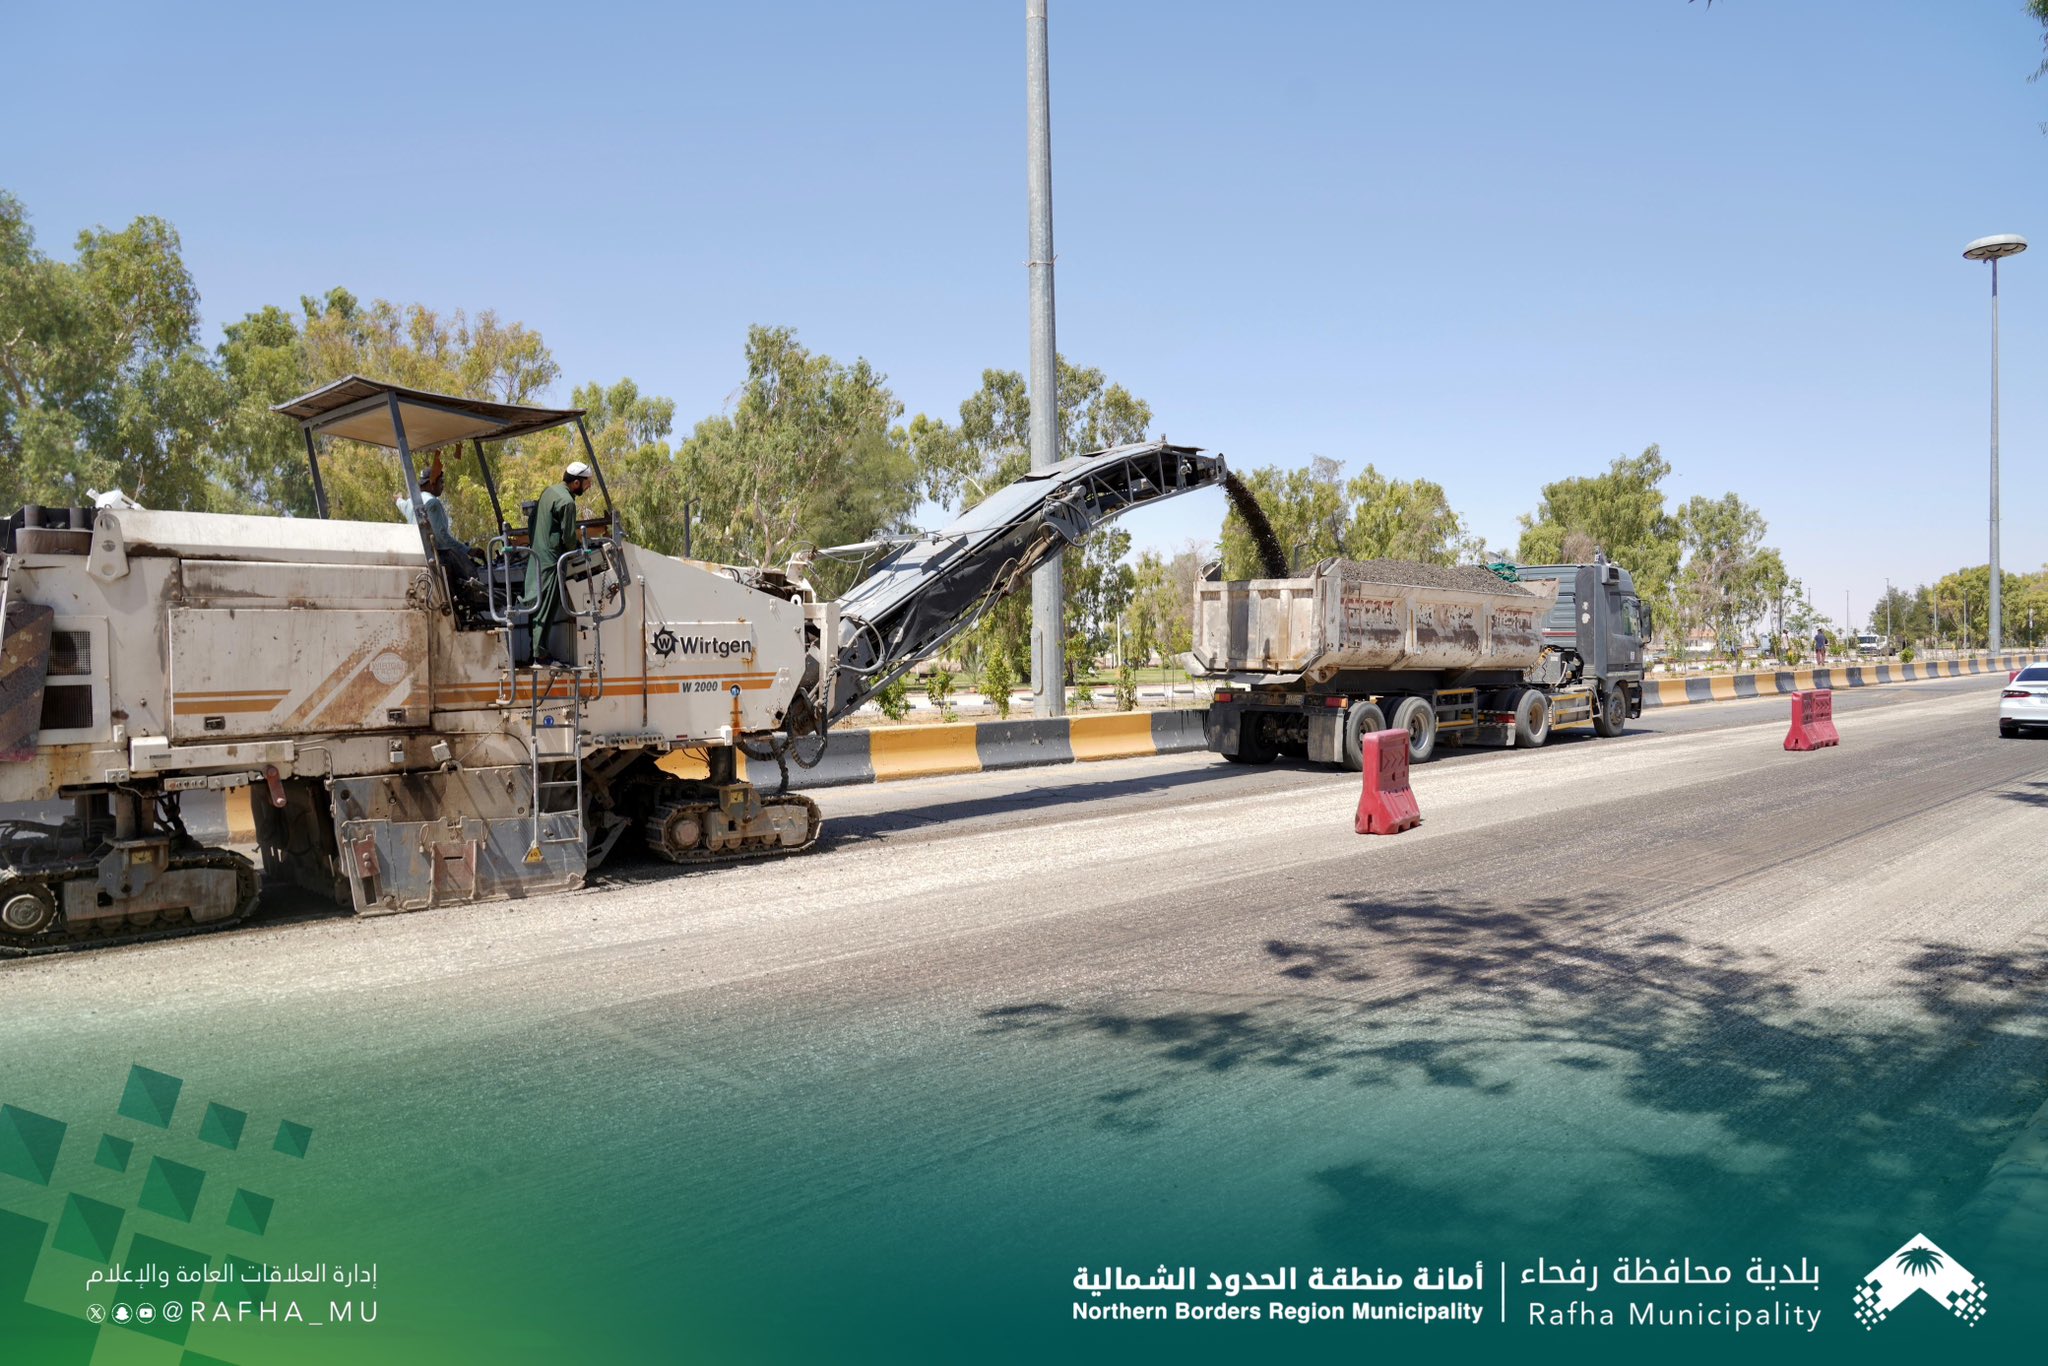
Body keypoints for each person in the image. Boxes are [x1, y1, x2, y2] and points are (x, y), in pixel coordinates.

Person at [524, 460, 594, 667]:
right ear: (576, 483)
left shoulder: (549, 492)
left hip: (537, 555)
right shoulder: (567, 502)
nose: (588, 487)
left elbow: (532, 521)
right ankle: (540, 655)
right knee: (546, 605)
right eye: (587, 483)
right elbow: (569, 538)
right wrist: (579, 549)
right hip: (552, 560)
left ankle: (534, 651)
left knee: (536, 603)